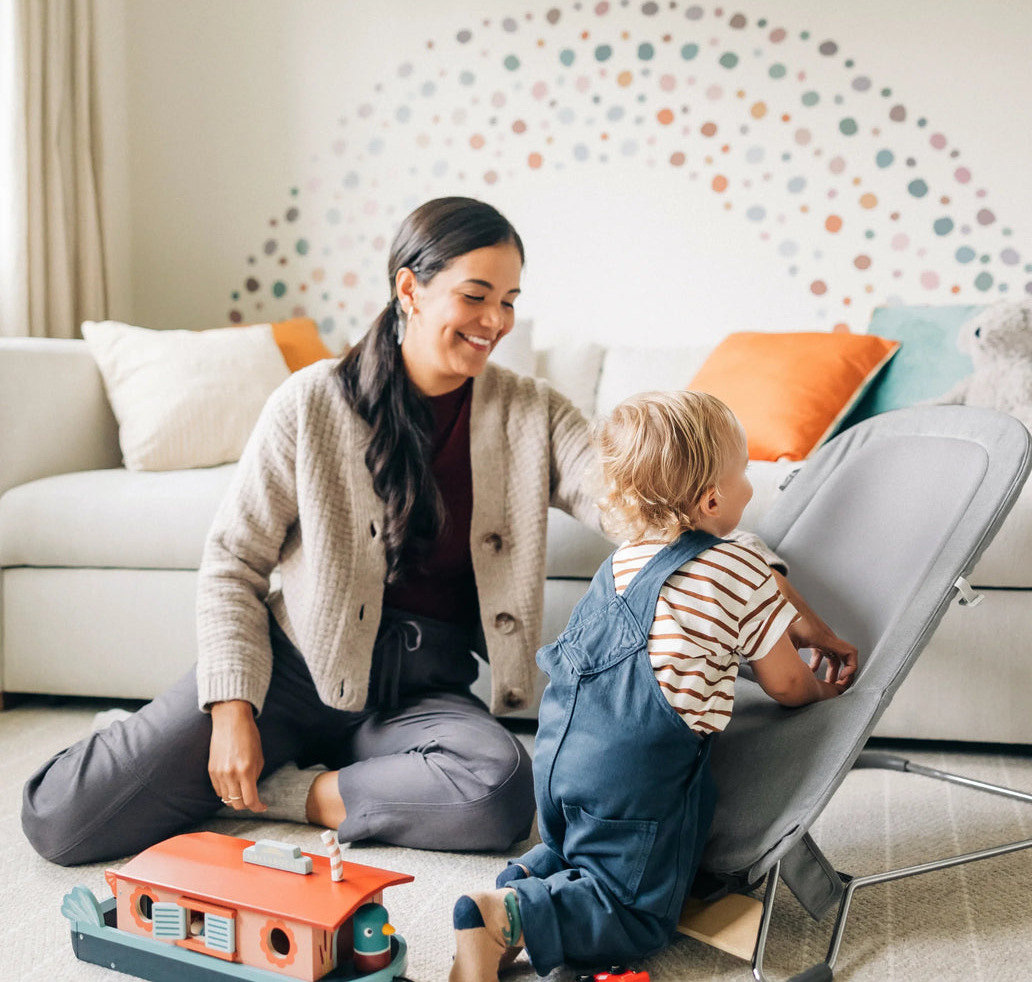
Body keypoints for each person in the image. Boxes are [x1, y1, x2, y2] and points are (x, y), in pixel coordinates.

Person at [22, 196, 854, 869]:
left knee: (497, 795)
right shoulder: (312, 402)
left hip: (421, 691)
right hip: (290, 672)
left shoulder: (531, 413)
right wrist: (231, 708)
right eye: (476, 295)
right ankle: (142, 739)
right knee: (62, 822)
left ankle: (289, 793)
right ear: (409, 288)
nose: (495, 320)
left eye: (510, 301)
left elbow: (645, 500)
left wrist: (779, 601)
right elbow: (232, 561)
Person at [449, 390, 857, 982]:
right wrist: (824, 692)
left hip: (562, 751)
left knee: (577, 851)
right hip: (636, 774)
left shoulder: (622, 560)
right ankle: (505, 917)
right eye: (744, 472)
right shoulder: (740, 568)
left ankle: (530, 886)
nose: (750, 484)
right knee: (636, 912)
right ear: (712, 498)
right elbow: (787, 683)